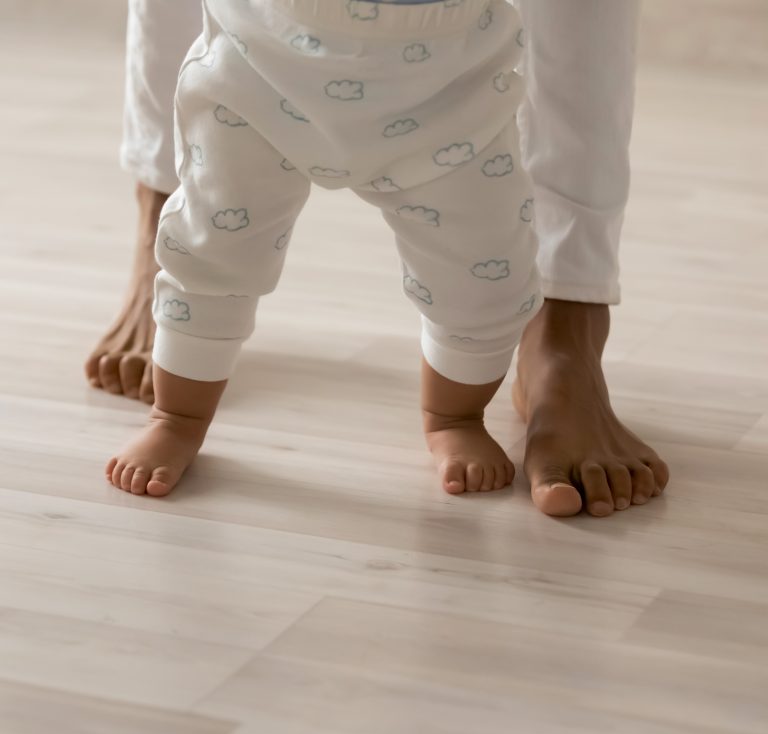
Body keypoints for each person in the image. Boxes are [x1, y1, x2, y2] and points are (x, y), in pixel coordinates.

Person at [92, 0, 669, 515]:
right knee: (210, 254)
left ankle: (453, 417)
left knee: (483, 278)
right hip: (258, 64)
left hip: (449, 90)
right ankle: (178, 418)